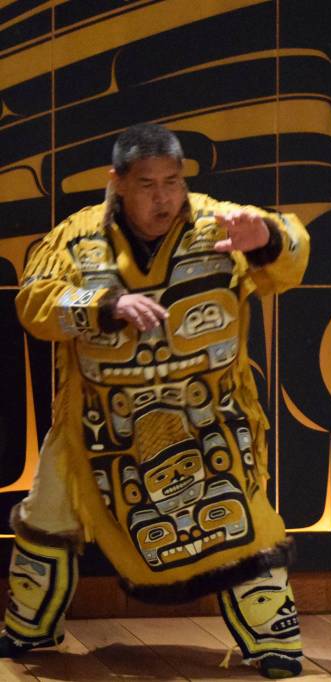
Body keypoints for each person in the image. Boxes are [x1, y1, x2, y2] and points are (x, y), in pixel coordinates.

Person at [5, 123, 309, 678]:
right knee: (48, 514)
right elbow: (35, 301)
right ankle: (28, 626)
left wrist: (264, 238)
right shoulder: (76, 238)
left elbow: (291, 252)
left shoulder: (219, 223)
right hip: (99, 421)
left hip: (205, 414)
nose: (163, 197)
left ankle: (273, 640)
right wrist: (101, 304)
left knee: (244, 520)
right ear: (116, 181)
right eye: (147, 184)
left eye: (173, 181)